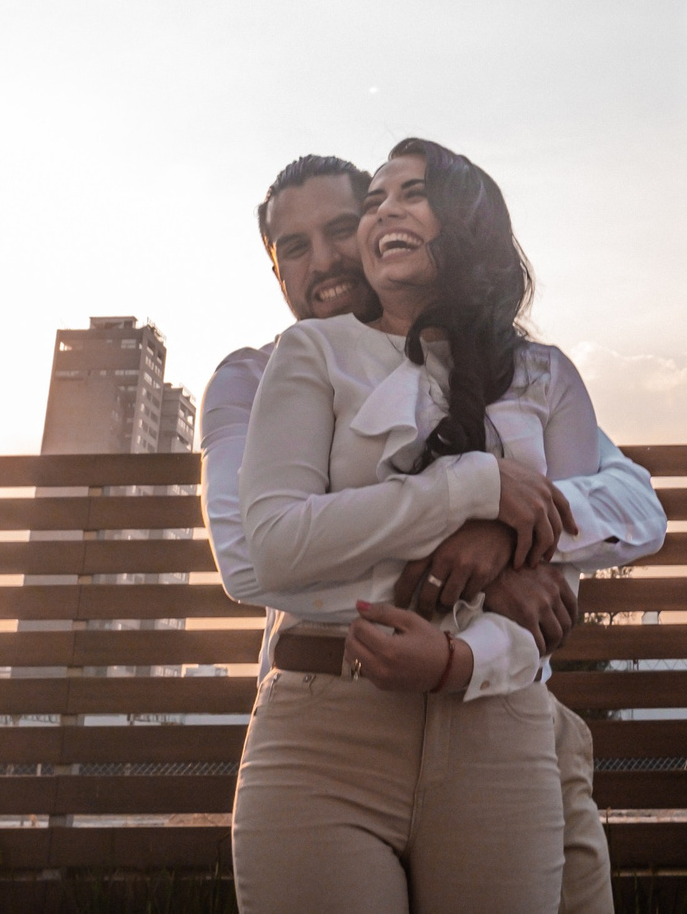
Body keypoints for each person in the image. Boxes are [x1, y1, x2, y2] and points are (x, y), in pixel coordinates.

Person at [211, 141, 662, 914]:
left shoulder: (520, 369)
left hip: (513, 704)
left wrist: (510, 538)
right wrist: (477, 511)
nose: (325, 259)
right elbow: (255, 559)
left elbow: (619, 497)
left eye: (343, 225)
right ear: (275, 268)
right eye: (294, 246)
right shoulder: (266, 371)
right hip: (342, 697)